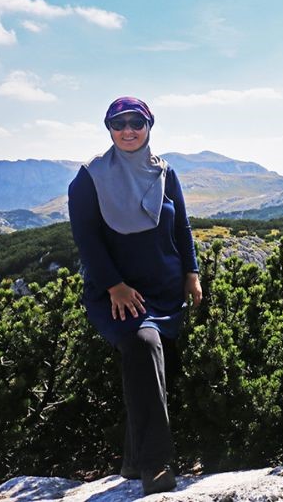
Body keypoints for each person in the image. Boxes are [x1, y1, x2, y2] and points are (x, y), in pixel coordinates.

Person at [67, 96, 202, 495]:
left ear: (149, 127)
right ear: (109, 129)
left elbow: (182, 227)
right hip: (119, 294)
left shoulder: (164, 172)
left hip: (165, 289)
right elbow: (86, 239)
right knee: (143, 346)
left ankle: (130, 460)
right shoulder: (89, 177)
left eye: (136, 123)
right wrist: (114, 285)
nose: (128, 131)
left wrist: (191, 273)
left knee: (158, 369)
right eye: (119, 124)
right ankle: (155, 465)